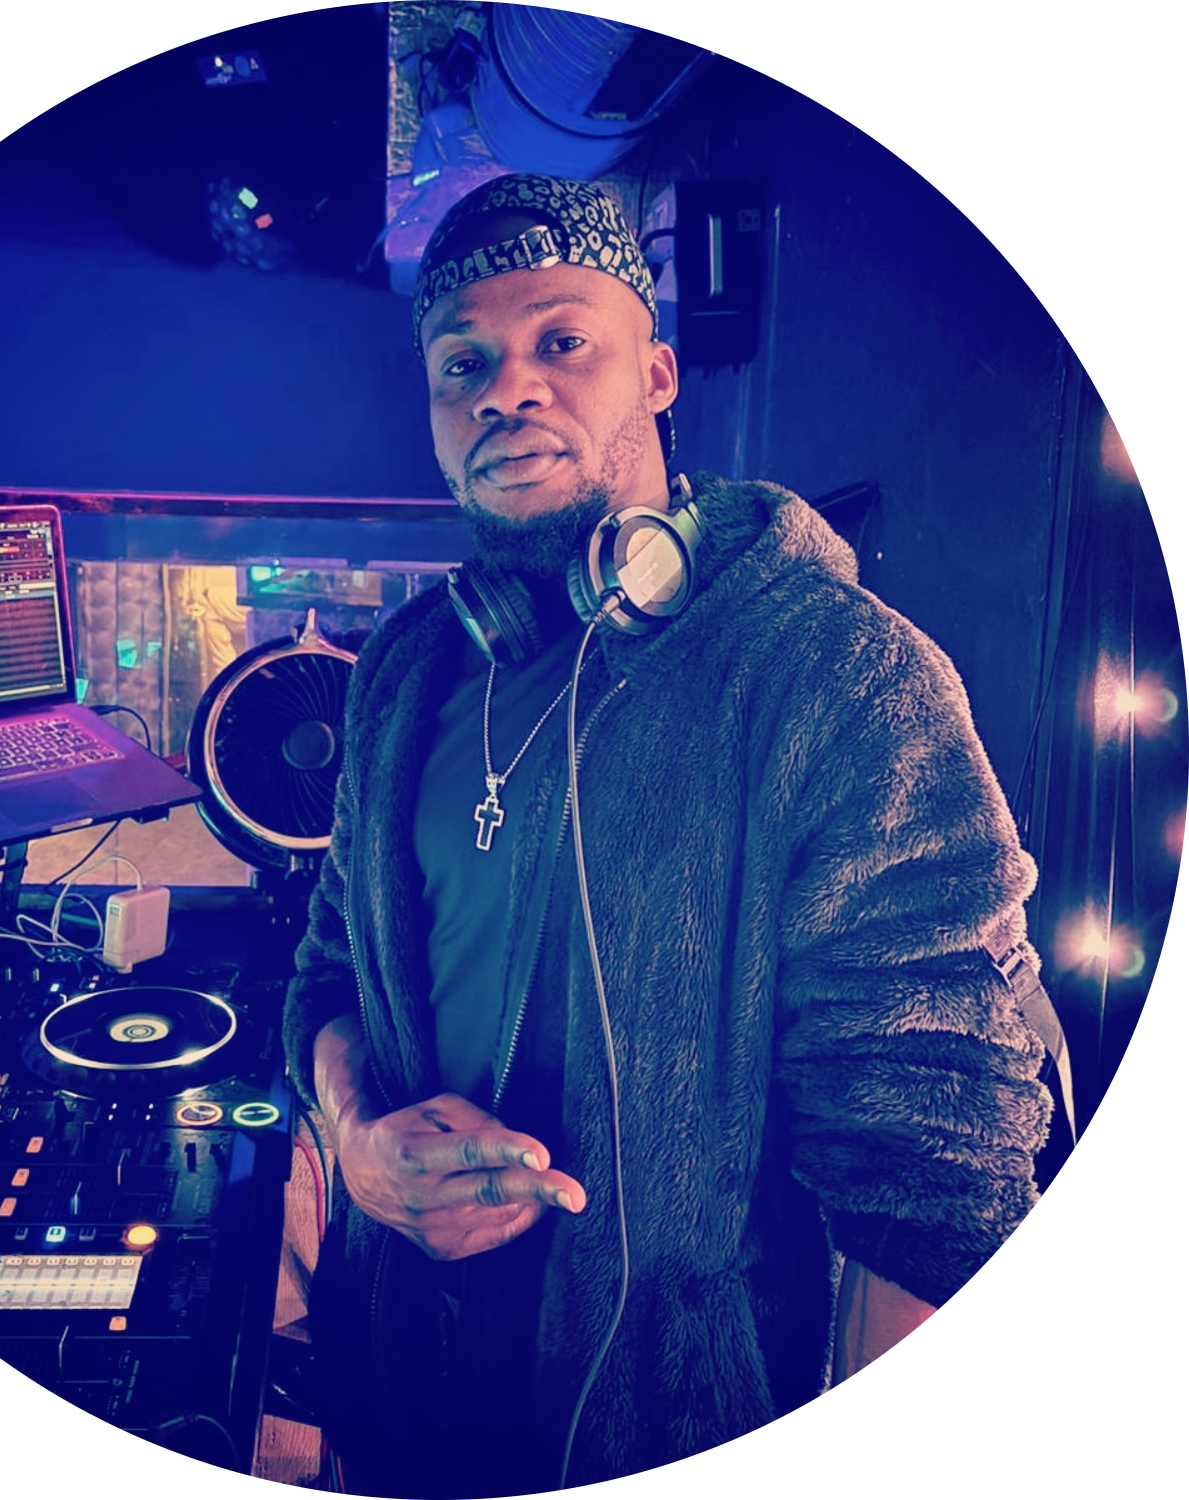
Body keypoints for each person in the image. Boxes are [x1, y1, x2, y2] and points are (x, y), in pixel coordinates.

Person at [282, 174, 1052, 1495]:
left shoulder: (837, 676)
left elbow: (933, 1181)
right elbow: (328, 974)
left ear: (657, 371)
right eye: (464, 363)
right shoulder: (403, 671)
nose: (507, 390)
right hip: (405, 1388)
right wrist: (356, 1143)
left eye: (561, 341)